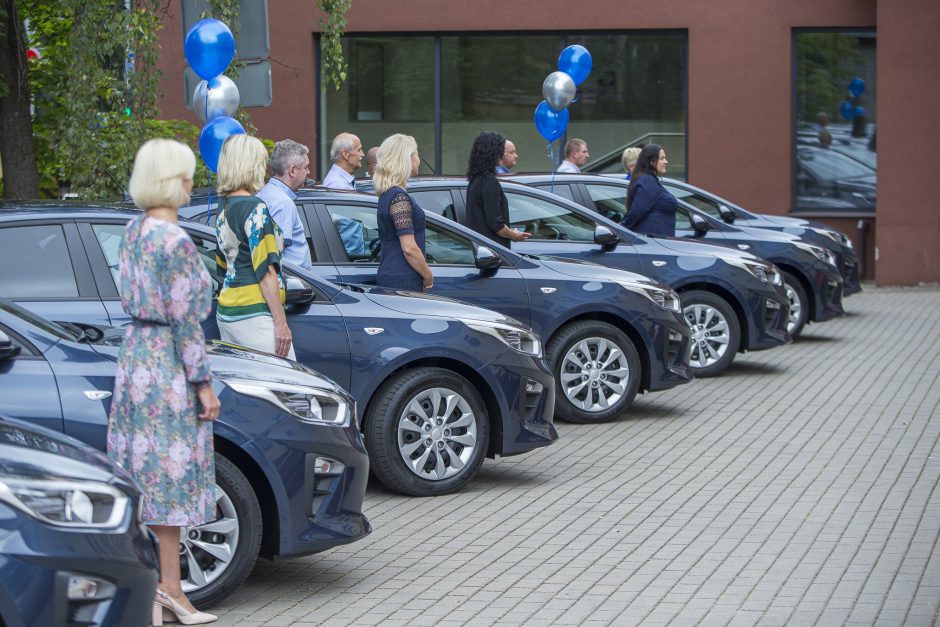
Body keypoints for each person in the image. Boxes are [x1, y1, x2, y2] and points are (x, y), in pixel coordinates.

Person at [107, 138, 221, 626]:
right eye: (186, 174)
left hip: (135, 361)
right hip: (168, 366)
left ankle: (159, 591)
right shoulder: (174, 240)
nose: (192, 183)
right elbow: (186, 321)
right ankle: (169, 590)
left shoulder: (134, 231)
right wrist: (203, 384)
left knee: (147, 479)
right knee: (172, 478)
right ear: (172, 180)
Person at [215, 134, 295, 359]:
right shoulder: (254, 207)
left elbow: (222, 262)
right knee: (288, 387)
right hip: (255, 312)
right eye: (261, 161)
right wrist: (281, 325)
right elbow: (265, 270)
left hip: (228, 310)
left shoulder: (224, 205)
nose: (264, 167)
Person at [373, 134, 433, 291]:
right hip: (404, 277)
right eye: (417, 154)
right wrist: (427, 275)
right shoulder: (399, 197)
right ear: (408, 158)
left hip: (392, 274)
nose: (419, 159)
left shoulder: (387, 194)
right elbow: (409, 248)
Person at [465, 131, 531, 248]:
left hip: (480, 248)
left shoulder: (474, 180)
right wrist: (514, 235)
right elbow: (496, 225)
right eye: (501, 150)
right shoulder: (489, 182)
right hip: (494, 251)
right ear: (494, 153)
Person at [256, 139, 313, 271]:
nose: (308, 172)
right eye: (306, 167)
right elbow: (276, 254)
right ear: (292, 170)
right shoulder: (283, 203)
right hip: (291, 284)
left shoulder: (265, 193)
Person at [620, 143, 678, 237]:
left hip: (659, 242)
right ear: (651, 161)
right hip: (654, 243)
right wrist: (619, 231)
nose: (666, 162)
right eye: (662, 158)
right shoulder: (646, 181)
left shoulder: (650, 180)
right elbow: (636, 212)